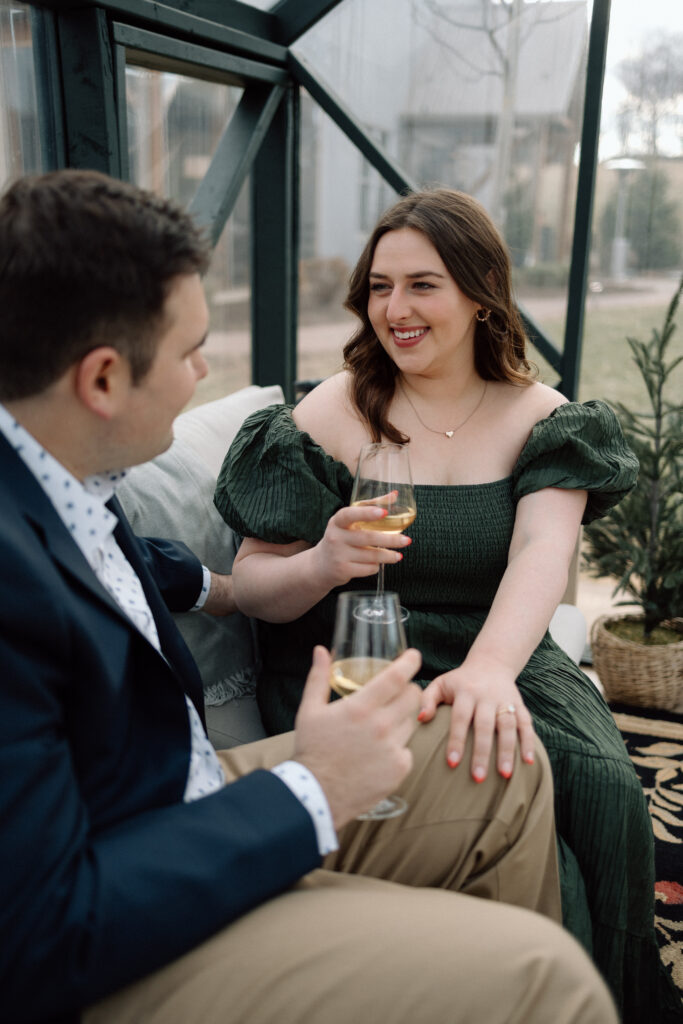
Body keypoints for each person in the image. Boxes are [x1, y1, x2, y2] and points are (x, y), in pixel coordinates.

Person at [0, 169, 619, 1024]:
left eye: (422, 284)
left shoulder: (63, 479)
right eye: (189, 353)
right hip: (132, 851)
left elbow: (124, 563)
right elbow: (39, 929)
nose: (204, 372)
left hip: (175, 781)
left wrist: (212, 589)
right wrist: (310, 788)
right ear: (102, 380)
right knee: (546, 974)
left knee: (509, 773)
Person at [216, 188, 683, 1023]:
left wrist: (492, 670)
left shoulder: (544, 419)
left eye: (422, 285)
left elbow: (541, 552)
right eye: (379, 286)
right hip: (363, 660)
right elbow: (251, 587)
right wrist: (322, 562)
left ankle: (616, 999)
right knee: (506, 784)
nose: (394, 309)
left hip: (499, 646)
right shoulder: (325, 413)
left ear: (479, 293)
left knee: (605, 785)